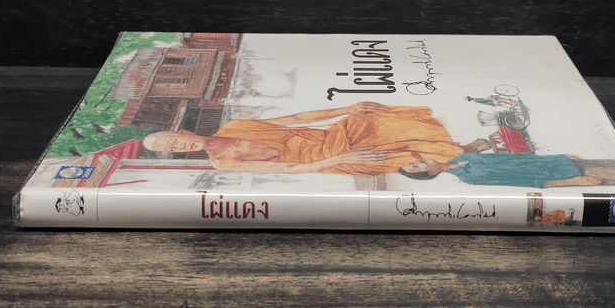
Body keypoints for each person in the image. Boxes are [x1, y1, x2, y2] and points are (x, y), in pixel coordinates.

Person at [143, 102, 482, 176]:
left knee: (365, 119)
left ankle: (455, 145)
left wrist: (347, 107)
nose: (179, 145)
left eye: (174, 139)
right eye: (172, 150)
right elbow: (289, 170)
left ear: (183, 132)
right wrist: (341, 159)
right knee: (377, 156)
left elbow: (296, 119)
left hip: (329, 137)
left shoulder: (234, 125)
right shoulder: (223, 163)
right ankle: (453, 159)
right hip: (327, 160)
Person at [398, 152, 601, 187]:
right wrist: (573, 181)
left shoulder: (461, 157)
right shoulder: (469, 178)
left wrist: (559, 155)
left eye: (414, 162)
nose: (418, 161)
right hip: (568, 175)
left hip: (561, 161)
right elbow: (526, 182)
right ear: (432, 172)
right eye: (417, 166)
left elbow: (516, 157)